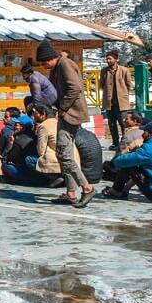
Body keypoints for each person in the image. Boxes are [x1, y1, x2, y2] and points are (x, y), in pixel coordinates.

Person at [37, 41, 95, 208]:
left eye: (43, 62)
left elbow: (75, 88)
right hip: (68, 114)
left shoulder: (65, 65)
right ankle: (71, 193)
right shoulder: (59, 66)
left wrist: (63, 108)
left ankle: (86, 187)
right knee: (65, 153)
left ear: (50, 58)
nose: (43, 65)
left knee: (64, 154)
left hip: (71, 114)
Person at [106, 121, 152, 202]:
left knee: (129, 164)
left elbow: (121, 161)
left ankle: (115, 191)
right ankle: (125, 189)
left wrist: (114, 162)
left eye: (144, 132)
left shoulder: (149, 148)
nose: (142, 135)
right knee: (142, 166)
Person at [27, 102, 78, 186]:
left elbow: (41, 151)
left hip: (59, 160)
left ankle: (54, 177)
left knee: (28, 159)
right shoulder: (59, 122)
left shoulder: (43, 126)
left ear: (42, 114)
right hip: (72, 158)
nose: (33, 116)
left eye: (35, 113)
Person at [98, 50, 133, 149]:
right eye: (107, 59)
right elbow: (101, 85)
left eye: (110, 59)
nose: (108, 61)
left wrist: (123, 94)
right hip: (110, 102)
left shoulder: (124, 70)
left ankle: (125, 143)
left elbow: (128, 84)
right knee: (112, 124)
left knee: (123, 123)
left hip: (121, 102)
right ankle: (115, 143)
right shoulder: (104, 71)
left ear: (116, 59)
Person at [0, 115, 37, 184]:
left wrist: (10, 144)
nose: (14, 127)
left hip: (25, 170)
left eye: (17, 125)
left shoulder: (19, 141)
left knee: (5, 166)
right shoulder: (31, 138)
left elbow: (9, 158)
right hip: (30, 168)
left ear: (23, 128)